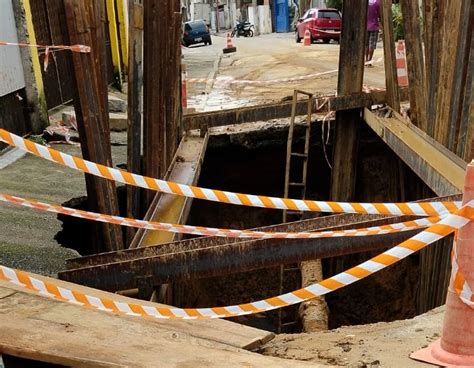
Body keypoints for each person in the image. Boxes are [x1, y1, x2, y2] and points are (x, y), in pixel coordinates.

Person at [366, 0, 381, 66]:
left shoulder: (365, 2)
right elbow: (379, 14)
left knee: (366, 44)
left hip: (366, 26)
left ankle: (366, 60)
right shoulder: (377, 2)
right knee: (372, 45)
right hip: (374, 26)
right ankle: (369, 60)